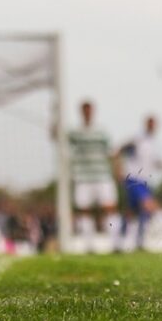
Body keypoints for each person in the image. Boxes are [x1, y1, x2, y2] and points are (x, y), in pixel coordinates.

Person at [67, 100, 121, 253]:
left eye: (89, 110)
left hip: (102, 176)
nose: (87, 113)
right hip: (83, 177)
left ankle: (115, 244)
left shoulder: (102, 132)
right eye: (85, 110)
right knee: (84, 210)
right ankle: (88, 246)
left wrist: (117, 169)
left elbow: (111, 152)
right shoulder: (74, 133)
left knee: (110, 208)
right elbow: (59, 139)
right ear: (81, 112)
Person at [118, 114, 162, 252]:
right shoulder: (138, 139)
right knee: (149, 206)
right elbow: (119, 150)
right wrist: (118, 170)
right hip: (133, 179)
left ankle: (120, 241)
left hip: (143, 180)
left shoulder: (152, 143)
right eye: (150, 123)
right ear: (146, 124)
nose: (152, 126)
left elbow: (155, 163)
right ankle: (140, 241)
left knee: (132, 212)